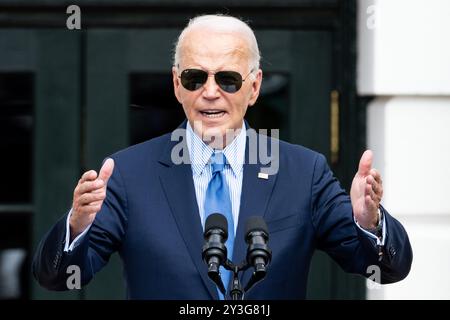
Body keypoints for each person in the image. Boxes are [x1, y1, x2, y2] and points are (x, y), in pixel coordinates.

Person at [32, 14, 412, 299]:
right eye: (196, 78)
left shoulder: (303, 172)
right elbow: (59, 276)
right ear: (177, 85)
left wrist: (369, 222)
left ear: (255, 86)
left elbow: (386, 270)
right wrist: (77, 227)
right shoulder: (131, 174)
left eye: (227, 79)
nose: (210, 92)